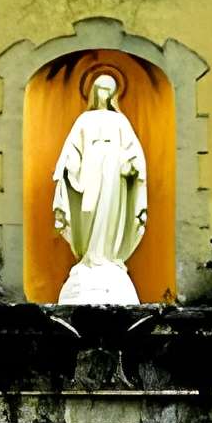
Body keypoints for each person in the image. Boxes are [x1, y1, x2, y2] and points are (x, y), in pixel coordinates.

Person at [51, 73, 148, 304]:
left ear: (114, 93)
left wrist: (131, 164)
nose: (103, 94)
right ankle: (89, 258)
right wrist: (67, 165)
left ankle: (107, 258)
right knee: (88, 213)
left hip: (114, 176)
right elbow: (72, 148)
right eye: (100, 88)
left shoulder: (120, 121)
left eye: (108, 89)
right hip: (90, 174)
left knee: (110, 214)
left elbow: (134, 151)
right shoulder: (84, 120)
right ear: (93, 91)